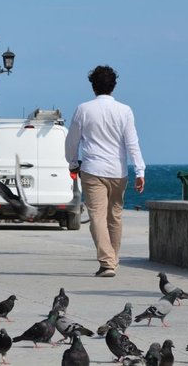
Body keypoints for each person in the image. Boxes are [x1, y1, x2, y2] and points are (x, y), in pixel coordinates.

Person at [64, 65, 145, 278]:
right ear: (114, 86)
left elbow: (72, 140)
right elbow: (132, 143)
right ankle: (112, 260)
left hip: (93, 169)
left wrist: (72, 163)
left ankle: (107, 262)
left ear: (93, 86)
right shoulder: (125, 110)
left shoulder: (84, 109)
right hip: (119, 172)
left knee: (97, 218)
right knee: (115, 217)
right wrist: (140, 170)